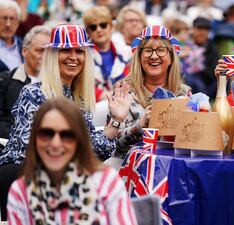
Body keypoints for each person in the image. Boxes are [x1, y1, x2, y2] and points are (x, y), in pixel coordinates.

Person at [0, 24, 131, 220]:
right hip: (23, 172)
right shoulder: (34, 93)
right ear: (53, 55)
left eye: (79, 51)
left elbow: (96, 150)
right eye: (66, 50)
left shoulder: (80, 98)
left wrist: (116, 121)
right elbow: (37, 150)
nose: (73, 57)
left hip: (63, 173)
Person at [7, 97, 138, 225]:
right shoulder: (21, 192)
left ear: (79, 141)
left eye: (66, 135)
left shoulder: (106, 183)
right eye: (46, 134)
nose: (55, 143)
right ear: (35, 139)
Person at [111, 25, 191, 158]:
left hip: (172, 166)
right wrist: (141, 124)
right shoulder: (123, 91)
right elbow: (112, 143)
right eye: (148, 50)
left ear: (171, 57)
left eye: (161, 50)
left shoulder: (184, 94)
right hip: (129, 166)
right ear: (139, 57)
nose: (154, 56)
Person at [0, 25, 50, 139]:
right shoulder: (4, 81)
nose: (44, 56)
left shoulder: (59, 84)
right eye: (39, 50)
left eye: (49, 51)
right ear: (24, 51)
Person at [82, 6, 131, 102]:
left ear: (111, 26)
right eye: (93, 27)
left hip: (126, 102)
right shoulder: (82, 55)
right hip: (95, 106)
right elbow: (81, 87)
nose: (98, 30)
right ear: (88, 32)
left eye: (103, 25)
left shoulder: (126, 52)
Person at [0, 0, 23, 73]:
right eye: (4, 18)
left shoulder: (25, 46)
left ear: (18, 23)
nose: (8, 24)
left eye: (12, 19)